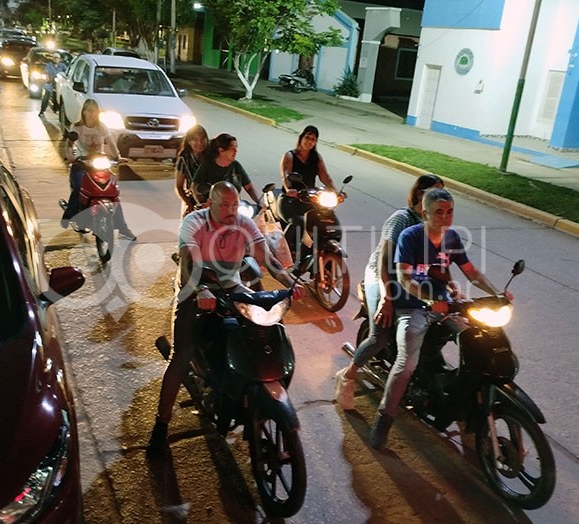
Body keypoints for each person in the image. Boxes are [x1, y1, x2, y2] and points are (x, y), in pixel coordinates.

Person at [146, 181, 305, 457]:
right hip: (195, 290)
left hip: (231, 288)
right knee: (182, 355)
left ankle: (250, 400)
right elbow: (188, 261)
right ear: (210, 203)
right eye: (224, 205)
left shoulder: (244, 223)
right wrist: (201, 288)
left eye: (235, 205)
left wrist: (289, 281)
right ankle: (161, 426)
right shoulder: (195, 222)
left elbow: (267, 258)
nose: (231, 211)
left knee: (266, 330)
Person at [368, 188, 514, 450]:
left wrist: (497, 294)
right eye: (439, 212)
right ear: (425, 214)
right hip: (412, 307)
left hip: (445, 306)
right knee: (406, 364)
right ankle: (384, 418)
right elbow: (404, 278)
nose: (445, 217)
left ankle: (461, 402)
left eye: (450, 212)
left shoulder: (452, 237)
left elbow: (472, 272)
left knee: (477, 339)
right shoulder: (410, 236)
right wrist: (428, 299)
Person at [334, 174, 444, 410]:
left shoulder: (434, 222)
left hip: (410, 278)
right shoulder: (401, 219)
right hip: (381, 276)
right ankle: (348, 376)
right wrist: (387, 298)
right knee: (379, 335)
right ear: (420, 194)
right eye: (433, 192)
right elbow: (385, 262)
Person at [61, 99, 136, 240]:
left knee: (113, 192)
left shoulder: (101, 127)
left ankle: (123, 228)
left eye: (95, 111)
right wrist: (70, 156)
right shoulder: (77, 127)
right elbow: (69, 145)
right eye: (89, 110)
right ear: (83, 112)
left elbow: (111, 144)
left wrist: (118, 157)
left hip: (99, 162)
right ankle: (69, 214)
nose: (92, 114)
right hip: (82, 163)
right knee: (80, 186)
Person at [277, 125, 337, 257]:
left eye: (313, 139)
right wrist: (289, 189)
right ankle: (283, 253)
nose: (309, 141)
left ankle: (318, 252)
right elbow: (286, 176)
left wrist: (335, 191)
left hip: (309, 200)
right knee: (298, 221)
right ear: (301, 138)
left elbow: (325, 177)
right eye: (307, 137)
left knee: (326, 219)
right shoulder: (290, 156)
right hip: (290, 200)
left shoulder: (316, 158)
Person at [190, 133, 264, 208]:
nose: (235, 151)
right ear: (221, 150)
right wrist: (203, 204)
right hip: (215, 209)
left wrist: (259, 202)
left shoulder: (236, 165)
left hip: (235, 208)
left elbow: (249, 187)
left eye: (236, 148)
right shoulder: (207, 166)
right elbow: (195, 187)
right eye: (232, 148)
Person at [174, 125, 209, 218]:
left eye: (202, 139)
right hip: (192, 200)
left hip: (212, 201)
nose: (199, 143)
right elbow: (179, 186)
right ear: (189, 142)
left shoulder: (212, 156)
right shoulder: (184, 159)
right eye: (195, 139)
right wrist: (189, 204)